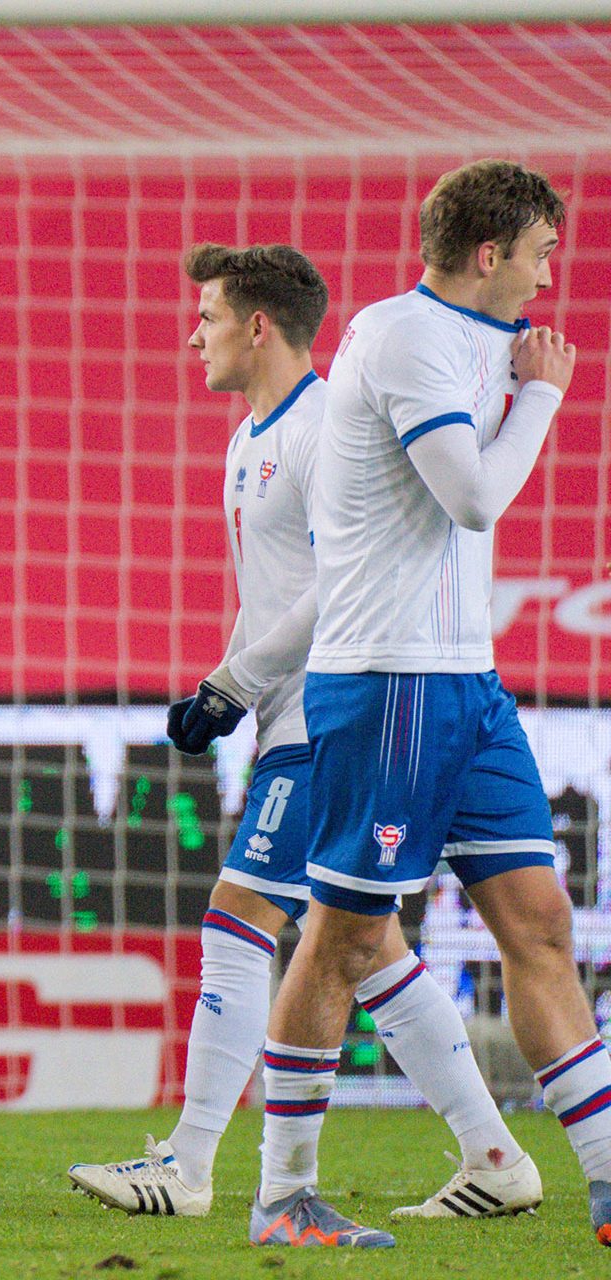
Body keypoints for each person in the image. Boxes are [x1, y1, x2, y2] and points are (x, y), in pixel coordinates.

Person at [67, 243, 537, 1222]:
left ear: (258, 324)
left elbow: (341, 588)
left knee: (241, 922)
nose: (191, 333)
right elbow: (270, 592)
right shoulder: (248, 439)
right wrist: (224, 681)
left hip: (333, 713)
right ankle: (496, 1154)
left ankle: (188, 1164)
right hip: (287, 715)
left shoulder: (326, 428)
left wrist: (235, 682)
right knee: (368, 950)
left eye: (206, 315)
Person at [246, 160, 595, 1249]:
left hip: (467, 684)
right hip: (390, 681)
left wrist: (523, 376)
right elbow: (474, 496)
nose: (551, 276)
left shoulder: (482, 339)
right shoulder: (403, 338)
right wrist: (542, 394)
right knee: (346, 937)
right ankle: (282, 1195)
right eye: (541, 251)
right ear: (489, 253)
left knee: (539, 923)